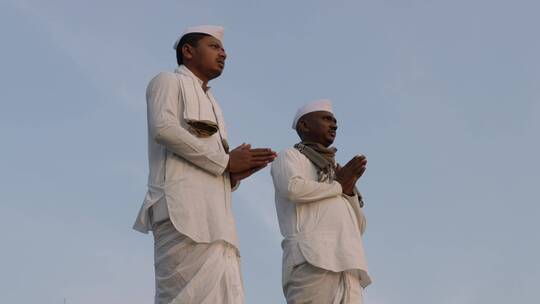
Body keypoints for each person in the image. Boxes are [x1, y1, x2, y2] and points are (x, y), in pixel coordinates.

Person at [133, 25, 276, 304]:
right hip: (182, 213)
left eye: (223, 49)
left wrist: (233, 174)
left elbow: (213, 162)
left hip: (219, 222)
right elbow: (163, 128)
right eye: (214, 47)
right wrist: (226, 162)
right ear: (188, 51)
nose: (223, 54)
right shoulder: (167, 81)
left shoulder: (214, 103)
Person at [270, 100, 372, 303]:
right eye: (327, 119)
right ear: (304, 126)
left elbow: (358, 227)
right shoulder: (290, 156)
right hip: (311, 259)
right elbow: (292, 188)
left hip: (348, 264)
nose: (334, 125)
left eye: (335, 121)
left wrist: (349, 192)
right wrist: (337, 186)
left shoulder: (337, 171)